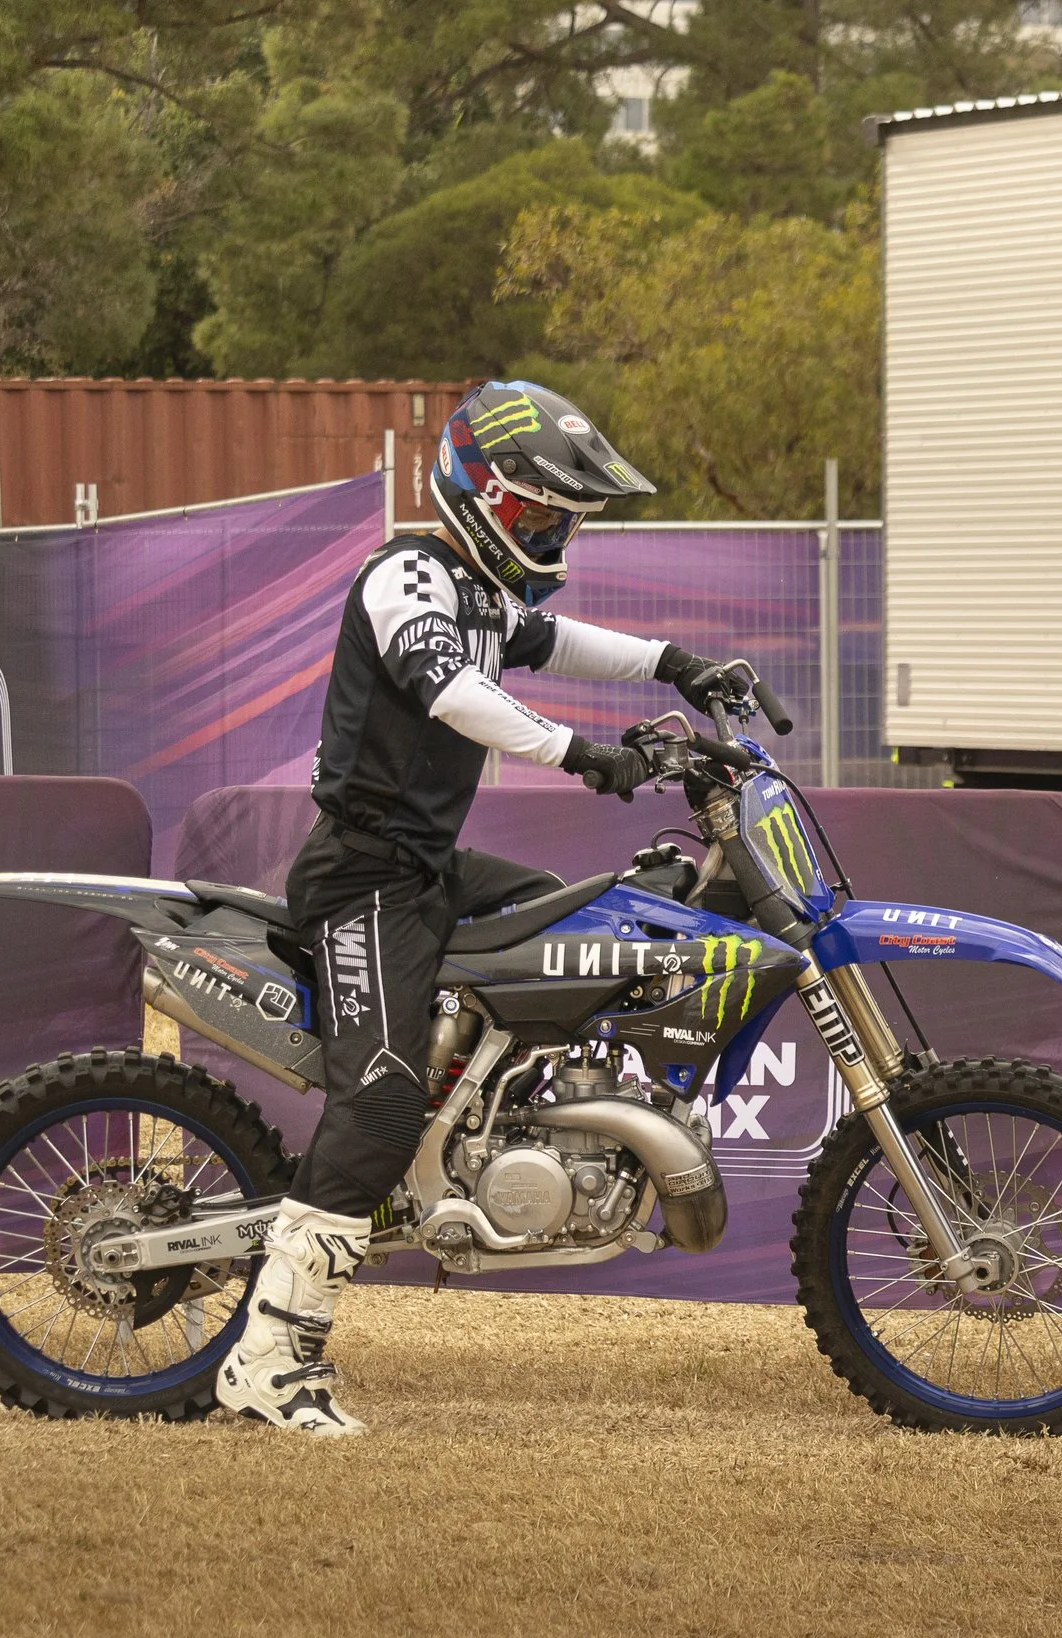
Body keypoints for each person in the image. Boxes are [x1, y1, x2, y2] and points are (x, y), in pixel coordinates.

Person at [215, 381, 743, 1436]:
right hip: (364, 876)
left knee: (573, 929)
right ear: (481, 495)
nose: (552, 535)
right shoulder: (408, 574)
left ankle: (463, 1132)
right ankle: (268, 1356)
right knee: (376, 1099)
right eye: (540, 515)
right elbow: (455, 689)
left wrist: (679, 665)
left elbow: (561, 640)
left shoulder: (480, 590)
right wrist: (584, 753)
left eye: (562, 521)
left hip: (425, 865)